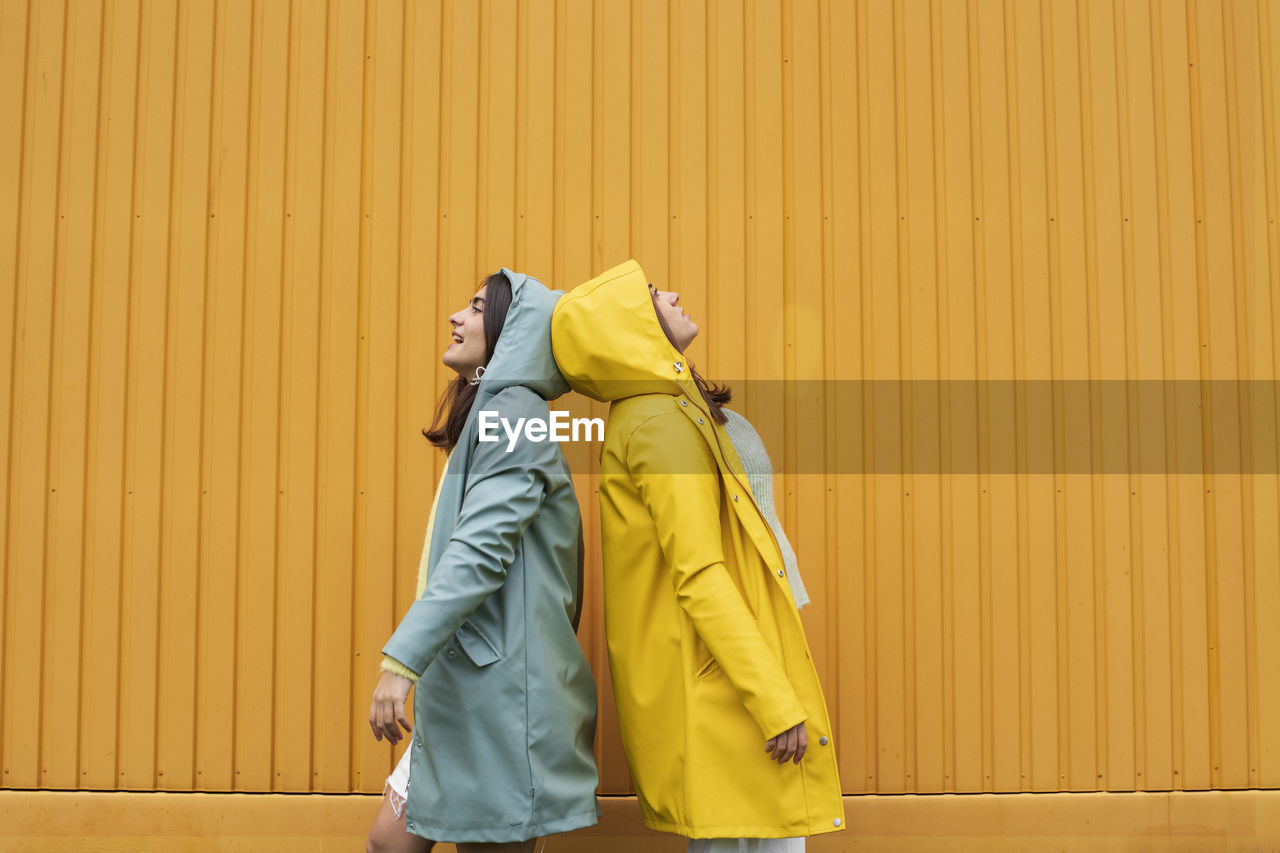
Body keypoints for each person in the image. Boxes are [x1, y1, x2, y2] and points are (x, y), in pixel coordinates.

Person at [549, 259, 845, 852]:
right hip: (724, 698)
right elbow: (700, 574)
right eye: (655, 294)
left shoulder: (660, 412)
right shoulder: (660, 422)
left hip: (716, 687)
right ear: (629, 327)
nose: (676, 294)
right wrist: (774, 699)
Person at [366, 270, 599, 853]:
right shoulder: (495, 411)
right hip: (469, 694)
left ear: (510, 331)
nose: (456, 317)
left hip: (499, 701)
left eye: (475, 308)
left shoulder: (515, 411)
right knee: (388, 843)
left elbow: (481, 550)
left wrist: (402, 660)